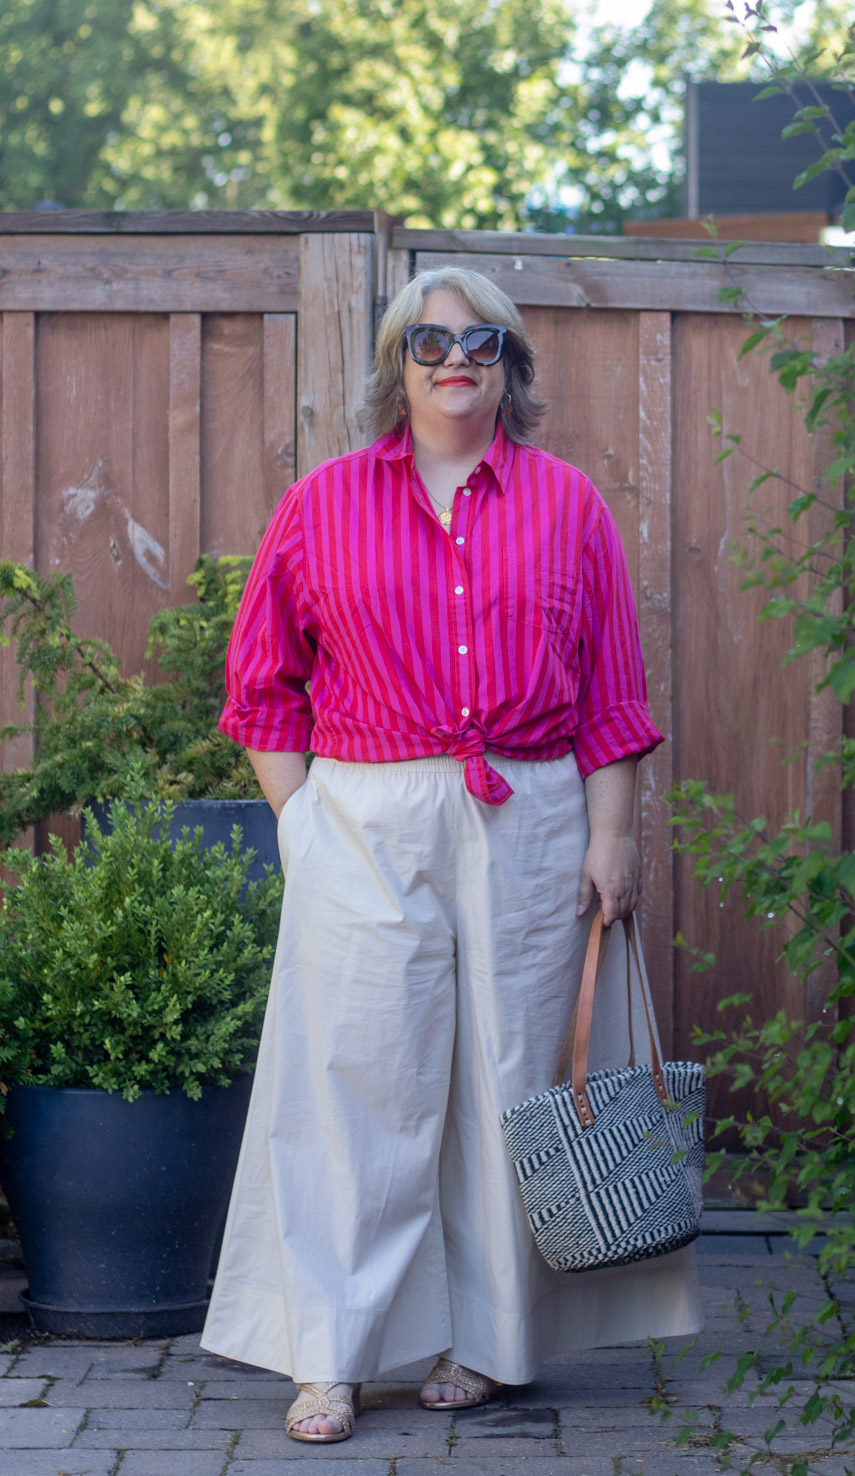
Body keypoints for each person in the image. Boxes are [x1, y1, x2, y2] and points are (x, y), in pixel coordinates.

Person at [200, 266, 703, 1443]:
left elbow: (610, 699)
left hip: (527, 819)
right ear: (397, 363)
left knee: (509, 1081)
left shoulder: (568, 505)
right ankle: (330, 1353)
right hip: (365, 818)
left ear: (512, 365)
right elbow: (260, 687)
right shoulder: (320, 505)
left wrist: (611, 836)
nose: (453, 360)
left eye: (481, 342)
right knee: (354, 1083)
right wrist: (300, 824)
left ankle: (483, 1344)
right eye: (428, 343)